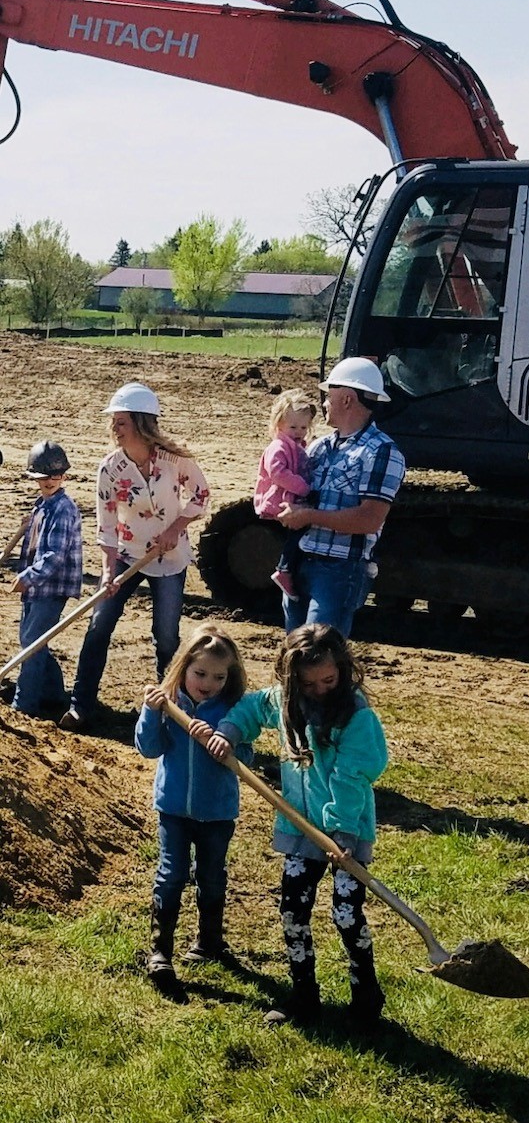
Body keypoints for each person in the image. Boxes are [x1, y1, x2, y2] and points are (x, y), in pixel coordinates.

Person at [200, 623, 388, 1028]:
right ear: (291, 679)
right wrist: (229, 733)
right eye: (308, 683)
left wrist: (341, 833)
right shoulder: (288, 701)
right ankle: (304, 995)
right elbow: (252, 709)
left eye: (328, 680)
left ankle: (366, 997)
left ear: (342, 669)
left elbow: (353, 776)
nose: (319, 689)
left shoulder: (356, 716)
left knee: (346, 914)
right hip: (302, 831)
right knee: (293, 909)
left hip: (348, 831)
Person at [60, 382, 210, 732]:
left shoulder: (175, 458)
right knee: (99, 626)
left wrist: (176, 527)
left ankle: (170, 709)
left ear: (142, 423)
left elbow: (201, 494)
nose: (114, 427)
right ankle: (81, 706)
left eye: (122, 421)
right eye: (114, 420)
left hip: (170, 559)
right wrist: (108, 572)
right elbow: (107, 524)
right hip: (127, 555)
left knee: (167, 636)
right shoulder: (110, 468)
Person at [134, 624, 253, 985]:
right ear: (183, 667)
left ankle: (209, 941)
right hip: (173, 808)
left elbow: (245, 758)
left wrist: (226, 746)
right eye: (200, 673)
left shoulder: (232, 711)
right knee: (171, 874)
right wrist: (152, 712)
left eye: (218, 676)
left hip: (216, 811)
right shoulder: (168, 704)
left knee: (212, 875)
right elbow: (148, 748)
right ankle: (160, 950)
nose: (208, 682)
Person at [277, 357, 406, 639]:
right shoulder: (320, 446)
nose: (323, 402)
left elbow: (369, 519)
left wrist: (308, 516)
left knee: (317, 654)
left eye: (329, 395)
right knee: (295, 651)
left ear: (347, 399)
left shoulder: (382, 452)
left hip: (340, 569)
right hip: (303, 560)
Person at [11, 440, 83, 717]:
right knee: (33, 640)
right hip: (36, 588)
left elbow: (54, 555)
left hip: (51, 588)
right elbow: (35, 546)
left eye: (56, 476)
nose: (50, 481)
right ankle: (53, 694)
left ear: (64, 475)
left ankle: (24, 704)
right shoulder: (41, 505)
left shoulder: (64, 509)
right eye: (43, 478)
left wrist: (26, 577)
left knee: (31, 645)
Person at [253, 388, 316, 600]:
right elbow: (278, 474)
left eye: (303, 427)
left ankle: (291, 569)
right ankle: (285, 570)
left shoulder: (296, 446)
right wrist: (304, 488)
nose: (299, 431)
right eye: (293, 427)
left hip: (290, 498)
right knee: (297, 532)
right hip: (279, 500)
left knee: (298, 532)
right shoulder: (278, 446)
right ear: (279, 424)